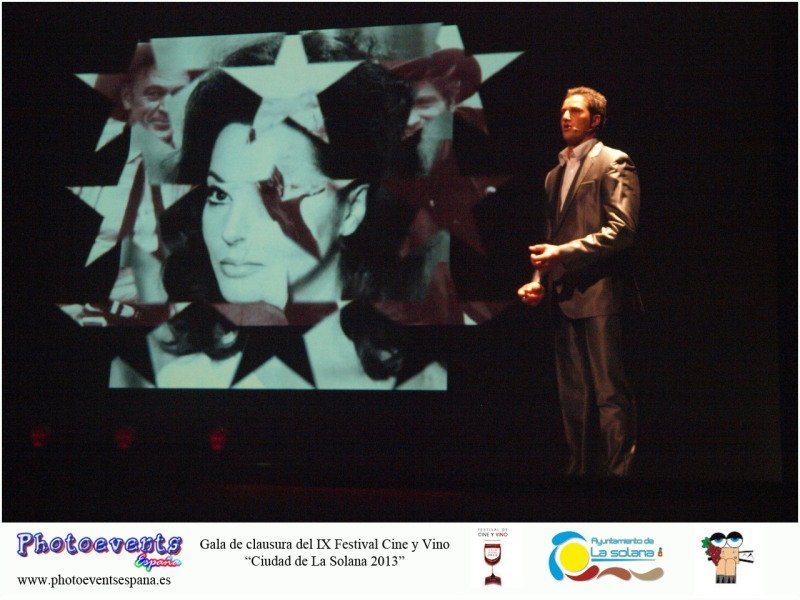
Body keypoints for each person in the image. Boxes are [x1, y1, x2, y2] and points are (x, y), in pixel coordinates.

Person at [146, 64, 449, 388]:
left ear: (352, 210)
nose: (229, 232)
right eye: (219, 194)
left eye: (272, 195)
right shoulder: (187, 379)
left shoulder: (425, 376)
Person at [517, 86, 640, 478]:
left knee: (609, 396)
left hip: (602, 296)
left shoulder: (614, 161)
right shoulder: (554, 175)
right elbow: (551, 238)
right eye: (562, 112)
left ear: (595, 120)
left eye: (575, 111)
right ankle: (579, 479)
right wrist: (538, 279)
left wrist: (562, 254)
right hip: (564, 295)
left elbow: (622, 230)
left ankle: (620, 479)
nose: (565, 117)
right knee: (574, 399)